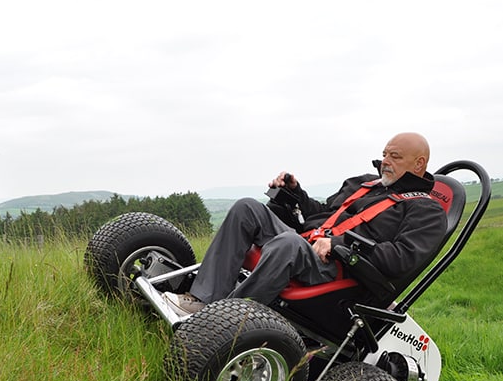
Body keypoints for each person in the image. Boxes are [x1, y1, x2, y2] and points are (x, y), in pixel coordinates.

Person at [163, 132, 448, 316]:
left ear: (419, 163)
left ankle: (226, 319)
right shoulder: (363, 184)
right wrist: (294, 194)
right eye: (385, 153)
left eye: (394, 157)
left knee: (288, 244)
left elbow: (401, 260)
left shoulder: (426, 210)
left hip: (343, 269)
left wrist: (340, 245)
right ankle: (201, 300)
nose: (385, 161)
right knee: (246, 207)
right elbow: (323, 213)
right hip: (308, 244)